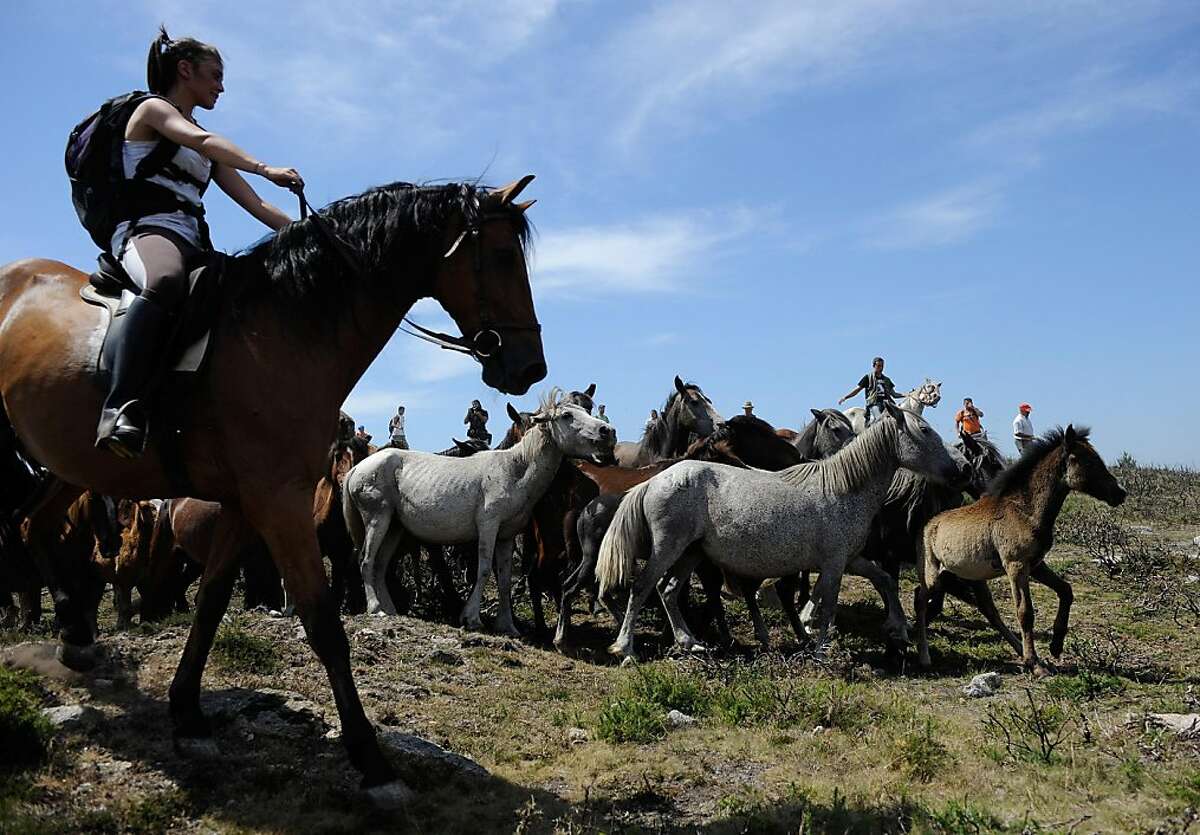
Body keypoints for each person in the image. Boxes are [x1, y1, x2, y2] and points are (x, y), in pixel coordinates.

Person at [94, 27, 304, 458]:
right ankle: (118, 408)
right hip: (144, 232)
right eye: (214, 76)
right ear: (185, 70)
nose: (221, 87)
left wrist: (315, 234)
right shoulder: (152, 110)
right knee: (167, 280)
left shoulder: (207, 146)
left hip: (192, 240)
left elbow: (257, 203)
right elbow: (204, 141)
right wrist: (266, 166)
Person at [838, 357, 900, 424]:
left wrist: (908, 394)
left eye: (882, 366)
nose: (881, 368)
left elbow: (894, 394)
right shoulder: (868, 377)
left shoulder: (886, 380)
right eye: (879, 366)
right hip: (873, 404)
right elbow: (857, 390)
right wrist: (845, 397)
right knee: (878, 420)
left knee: (899, 416)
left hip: (886, 404)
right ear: (874, 366)